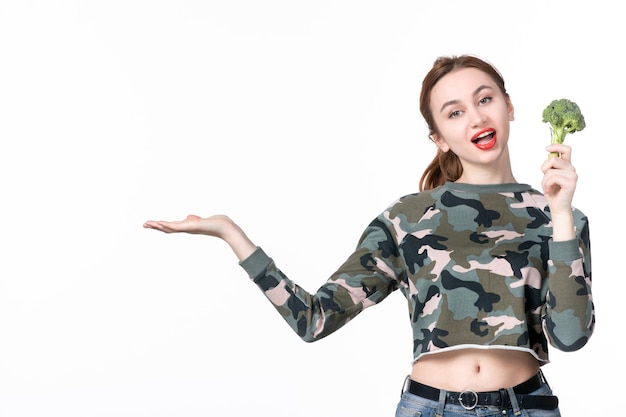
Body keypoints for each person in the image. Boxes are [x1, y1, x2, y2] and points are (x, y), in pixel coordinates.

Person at [143, 55, 594, 416]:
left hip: (527, 406)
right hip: (428, 408)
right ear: (438, 137)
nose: (475, 118)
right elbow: (314, 320)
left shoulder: (555, 216)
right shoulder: (407, 218)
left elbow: (570, 336)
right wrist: (231, 234)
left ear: (509, 106)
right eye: (454, 112)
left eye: (485, 100)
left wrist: (560, 214)